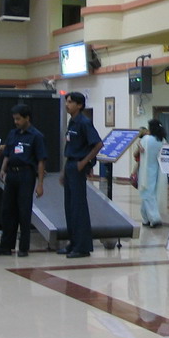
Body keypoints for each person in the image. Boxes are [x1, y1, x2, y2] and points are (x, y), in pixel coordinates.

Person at [0, 104, 47, 257]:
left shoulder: (36, 136)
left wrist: (40, 184)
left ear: (27, 118)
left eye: (19, 119)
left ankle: (23, 247)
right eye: (14, 119)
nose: (16, 122)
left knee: (24, 211)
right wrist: (2, 169)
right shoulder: (13, 134)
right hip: (11, 175)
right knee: (7, 211)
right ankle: (5, 246)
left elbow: (41, 161)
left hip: (26, 175)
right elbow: (7, 153)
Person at [58, 91, 102, 259]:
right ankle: (73, 242)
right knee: (69, 206)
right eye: (66, 101)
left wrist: (84, 163)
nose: (67, 104)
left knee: (78, 207)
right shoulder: (72, 122)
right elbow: (70, 146)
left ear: (79, 105)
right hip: (70, 165)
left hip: (78, 166)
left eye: (70, 102)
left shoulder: (84, 122)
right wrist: (64, 170)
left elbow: (97, 144)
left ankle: (82, 246)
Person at [139, 118, 167, 228]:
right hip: (159, 169)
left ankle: (154, 218)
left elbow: (138, 151)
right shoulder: (162, 140)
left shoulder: (146, 139)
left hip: (146, 169)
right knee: (153, 193)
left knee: (147, 193)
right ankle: (145, 217)